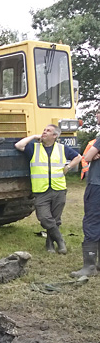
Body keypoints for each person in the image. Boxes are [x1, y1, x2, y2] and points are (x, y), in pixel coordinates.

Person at [15, 125, 81, 254]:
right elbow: (19, 145)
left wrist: (68, 167)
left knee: (55, 219)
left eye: (48, 131)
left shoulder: (62, 148)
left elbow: (78, 157)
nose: (44, 132)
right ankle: (60, 240)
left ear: (55, 136)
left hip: (59, 188)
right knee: (44, 218)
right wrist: (34, 137)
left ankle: (50, 244)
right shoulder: (34, 148)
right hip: (41, 190)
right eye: (44, 130)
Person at [72, 106, 100, 277]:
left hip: (97, 186)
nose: (97, 115)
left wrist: (92, 154)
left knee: (92, 222)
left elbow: (87, 157)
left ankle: (89, 266)